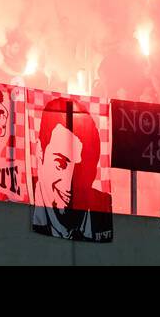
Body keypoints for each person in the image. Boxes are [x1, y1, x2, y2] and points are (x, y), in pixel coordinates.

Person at [31, 97, 113, 241]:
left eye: (82, 170)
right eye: (61, 163)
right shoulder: (24, 199)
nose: (69, 185)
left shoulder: (103, 207)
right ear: (40, 151)